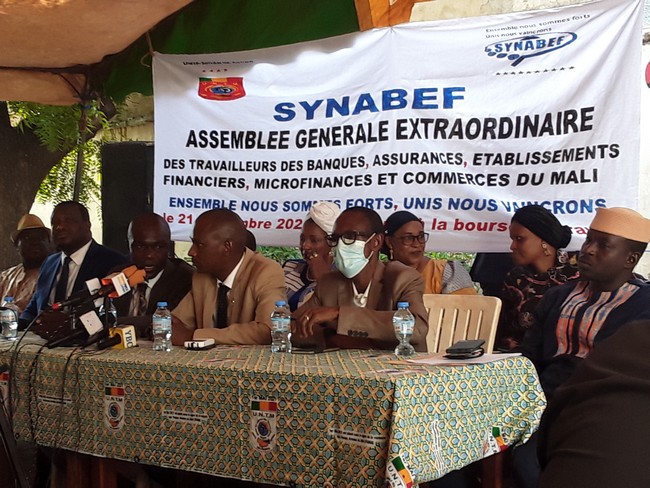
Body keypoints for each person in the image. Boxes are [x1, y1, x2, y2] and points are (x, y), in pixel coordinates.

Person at [513, 206, 650, 488]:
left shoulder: (644, 305)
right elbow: (529, 359)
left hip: (604, 410)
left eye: (603, 245)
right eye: (589, 240)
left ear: (631, 259)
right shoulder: (557, 297)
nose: (588, 250)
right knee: (522, 459)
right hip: (544, 406)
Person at [292, 206, 428, 351]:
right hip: (345, 364)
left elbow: (416, 328)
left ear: (376, 242)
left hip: (400, 364)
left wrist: (339, 314)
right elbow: (291, 326)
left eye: (350, 237)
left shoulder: (403, 278)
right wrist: (333, 338)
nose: (340, 245)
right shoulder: (329, 283)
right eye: (336, 238)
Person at [537, 319, 650, 488]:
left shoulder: (633, 327)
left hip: (561, 409)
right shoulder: (632, 342)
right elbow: (531, 350)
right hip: (547, 401)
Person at [171, 208, 286, 345]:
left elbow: (269, 330)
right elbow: (176, 324)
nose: (191, 252)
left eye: (200, 245)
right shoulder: (202, 276)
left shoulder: (266, 272)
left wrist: (195, 336)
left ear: (227, 246)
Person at [20, 201, 128, 325]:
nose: (60, 227)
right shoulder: (49, 263)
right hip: (39, 335)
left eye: (68, 221)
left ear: (87, 225)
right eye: (55, 223)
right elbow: (33, 309)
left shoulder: (112, 261)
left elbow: (113, 314)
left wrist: (68, 322)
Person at [497, 205, 579, 350]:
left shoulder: (578, 271)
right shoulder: (515, 279)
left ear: (544, 241)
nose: (512, 246)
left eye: (519, 239)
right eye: (512, 239)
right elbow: (506, 333)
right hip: (525, 358)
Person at [113, 213, 194, 337]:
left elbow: (167, 320)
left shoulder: (184, 277)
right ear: (129, 245)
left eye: (158, 247)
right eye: (141, 246)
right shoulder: (118, 275)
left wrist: (112, 323)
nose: (149, 255)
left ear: (169, 247)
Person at [383, 210, 476, 295]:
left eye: (421, 236)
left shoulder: (446, 272)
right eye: (408, 238)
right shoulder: (379, 274)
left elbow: (465, 306)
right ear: (389, 242)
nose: (417, 244)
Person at [282, 201, 341, 311]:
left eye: (314, 240)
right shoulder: (290, 267)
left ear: (332, 243)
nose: (305, 246)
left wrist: (322, 280)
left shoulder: (342, 279)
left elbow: (333, 315)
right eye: (302, 239)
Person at [0, 214, 53, 312]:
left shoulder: (55, 275)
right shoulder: (5, 277)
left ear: (49, 243)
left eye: (40, 238)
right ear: (17, 245)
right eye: (28, 238)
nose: (35, 242)